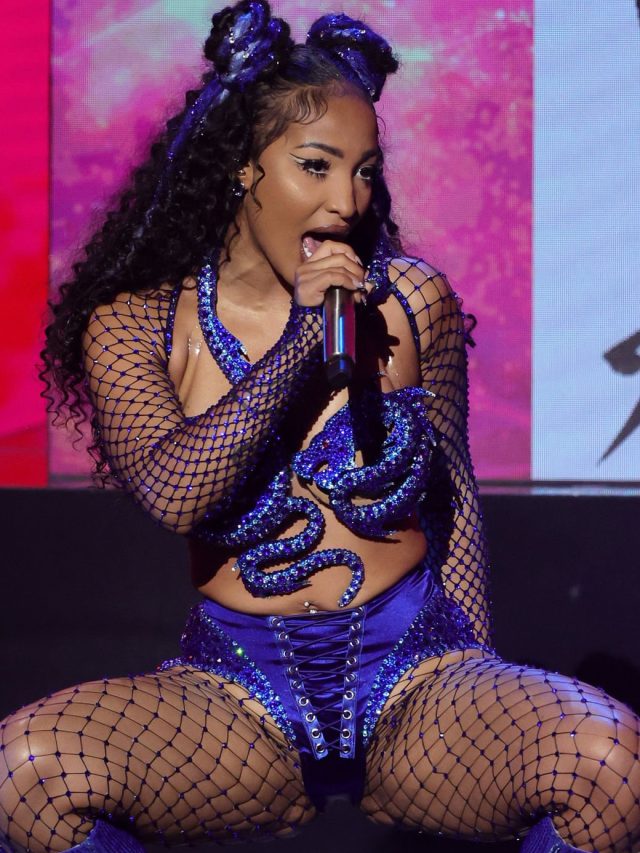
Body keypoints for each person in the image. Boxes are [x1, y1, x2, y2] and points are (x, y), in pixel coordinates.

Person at [1, 2, 638, 851]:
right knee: (23, 772)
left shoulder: (411, 300)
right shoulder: (136, 322)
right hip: (234, 694)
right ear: (242, 166)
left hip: (416, 674)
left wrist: (477, 673)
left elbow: (452, 499)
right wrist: (304, 340)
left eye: (365, 171)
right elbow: (174, 491)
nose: (346, 201)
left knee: (611, 760)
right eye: (316, 166)